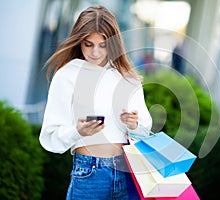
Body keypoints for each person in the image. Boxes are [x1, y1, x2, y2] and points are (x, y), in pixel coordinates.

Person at [39, 5, 152, 200]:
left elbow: (145, 130)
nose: (95, 52)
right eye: (88, 44)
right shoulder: (67, 75)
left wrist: (134, 124)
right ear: (79, 42)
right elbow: (50, 138)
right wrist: (78, 131)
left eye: (103, 44)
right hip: (90, 173)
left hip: (127, 173)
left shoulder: (127, 77)